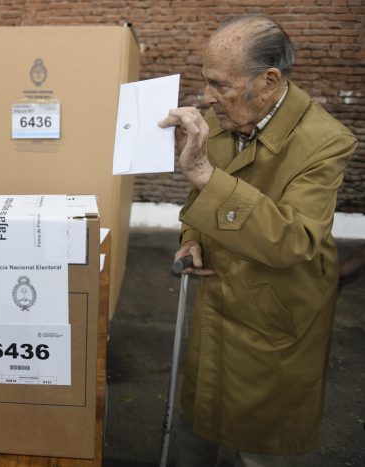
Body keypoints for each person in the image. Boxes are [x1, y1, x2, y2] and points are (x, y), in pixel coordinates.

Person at [158, 13, 358, 466]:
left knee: (262, 444)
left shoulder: (325, 141)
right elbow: (200, 197)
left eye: (220, 84)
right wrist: (191, 235)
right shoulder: (225, 116)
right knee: (194, 426)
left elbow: (295, 239)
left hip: (276, 314)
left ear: (269, 81)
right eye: (206, 82)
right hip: (215, 304)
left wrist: (207, 174)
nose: (208, 98)